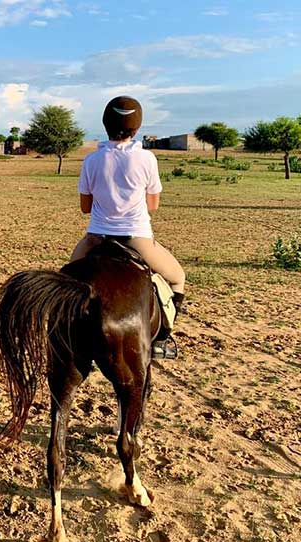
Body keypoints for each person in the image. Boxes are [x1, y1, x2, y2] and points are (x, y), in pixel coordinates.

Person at [70, 95, 186, 358]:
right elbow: (153, 205)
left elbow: (85, 207)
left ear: (106, 124)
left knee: (67, 277)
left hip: (96, 238)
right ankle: (162, 340)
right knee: (178, 278)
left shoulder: (91, 160)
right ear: (136, 127)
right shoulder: (147, 159)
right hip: (136, 238)